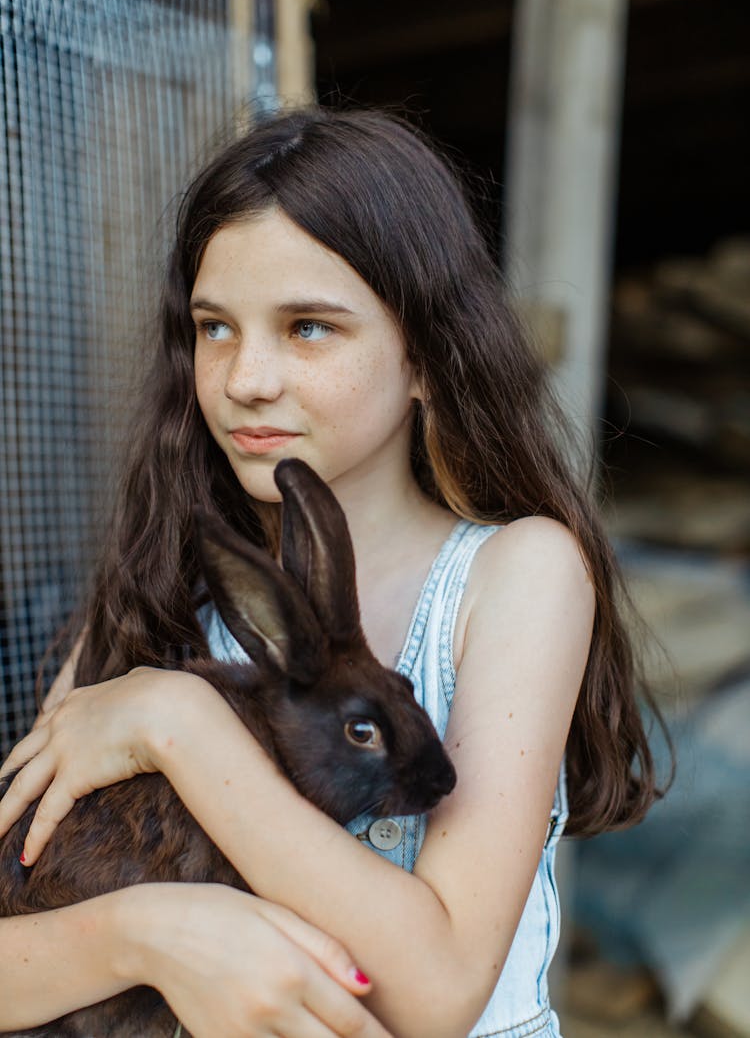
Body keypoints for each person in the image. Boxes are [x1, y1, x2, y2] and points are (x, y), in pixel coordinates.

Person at [0, 107, 662, 1038]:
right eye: (215, 328)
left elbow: (436, 991)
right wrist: (141, 934)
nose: (246, 378)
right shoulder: (162, 596)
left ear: (427, 356)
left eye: (309, 327)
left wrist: (183, 725)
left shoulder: (517, 576)